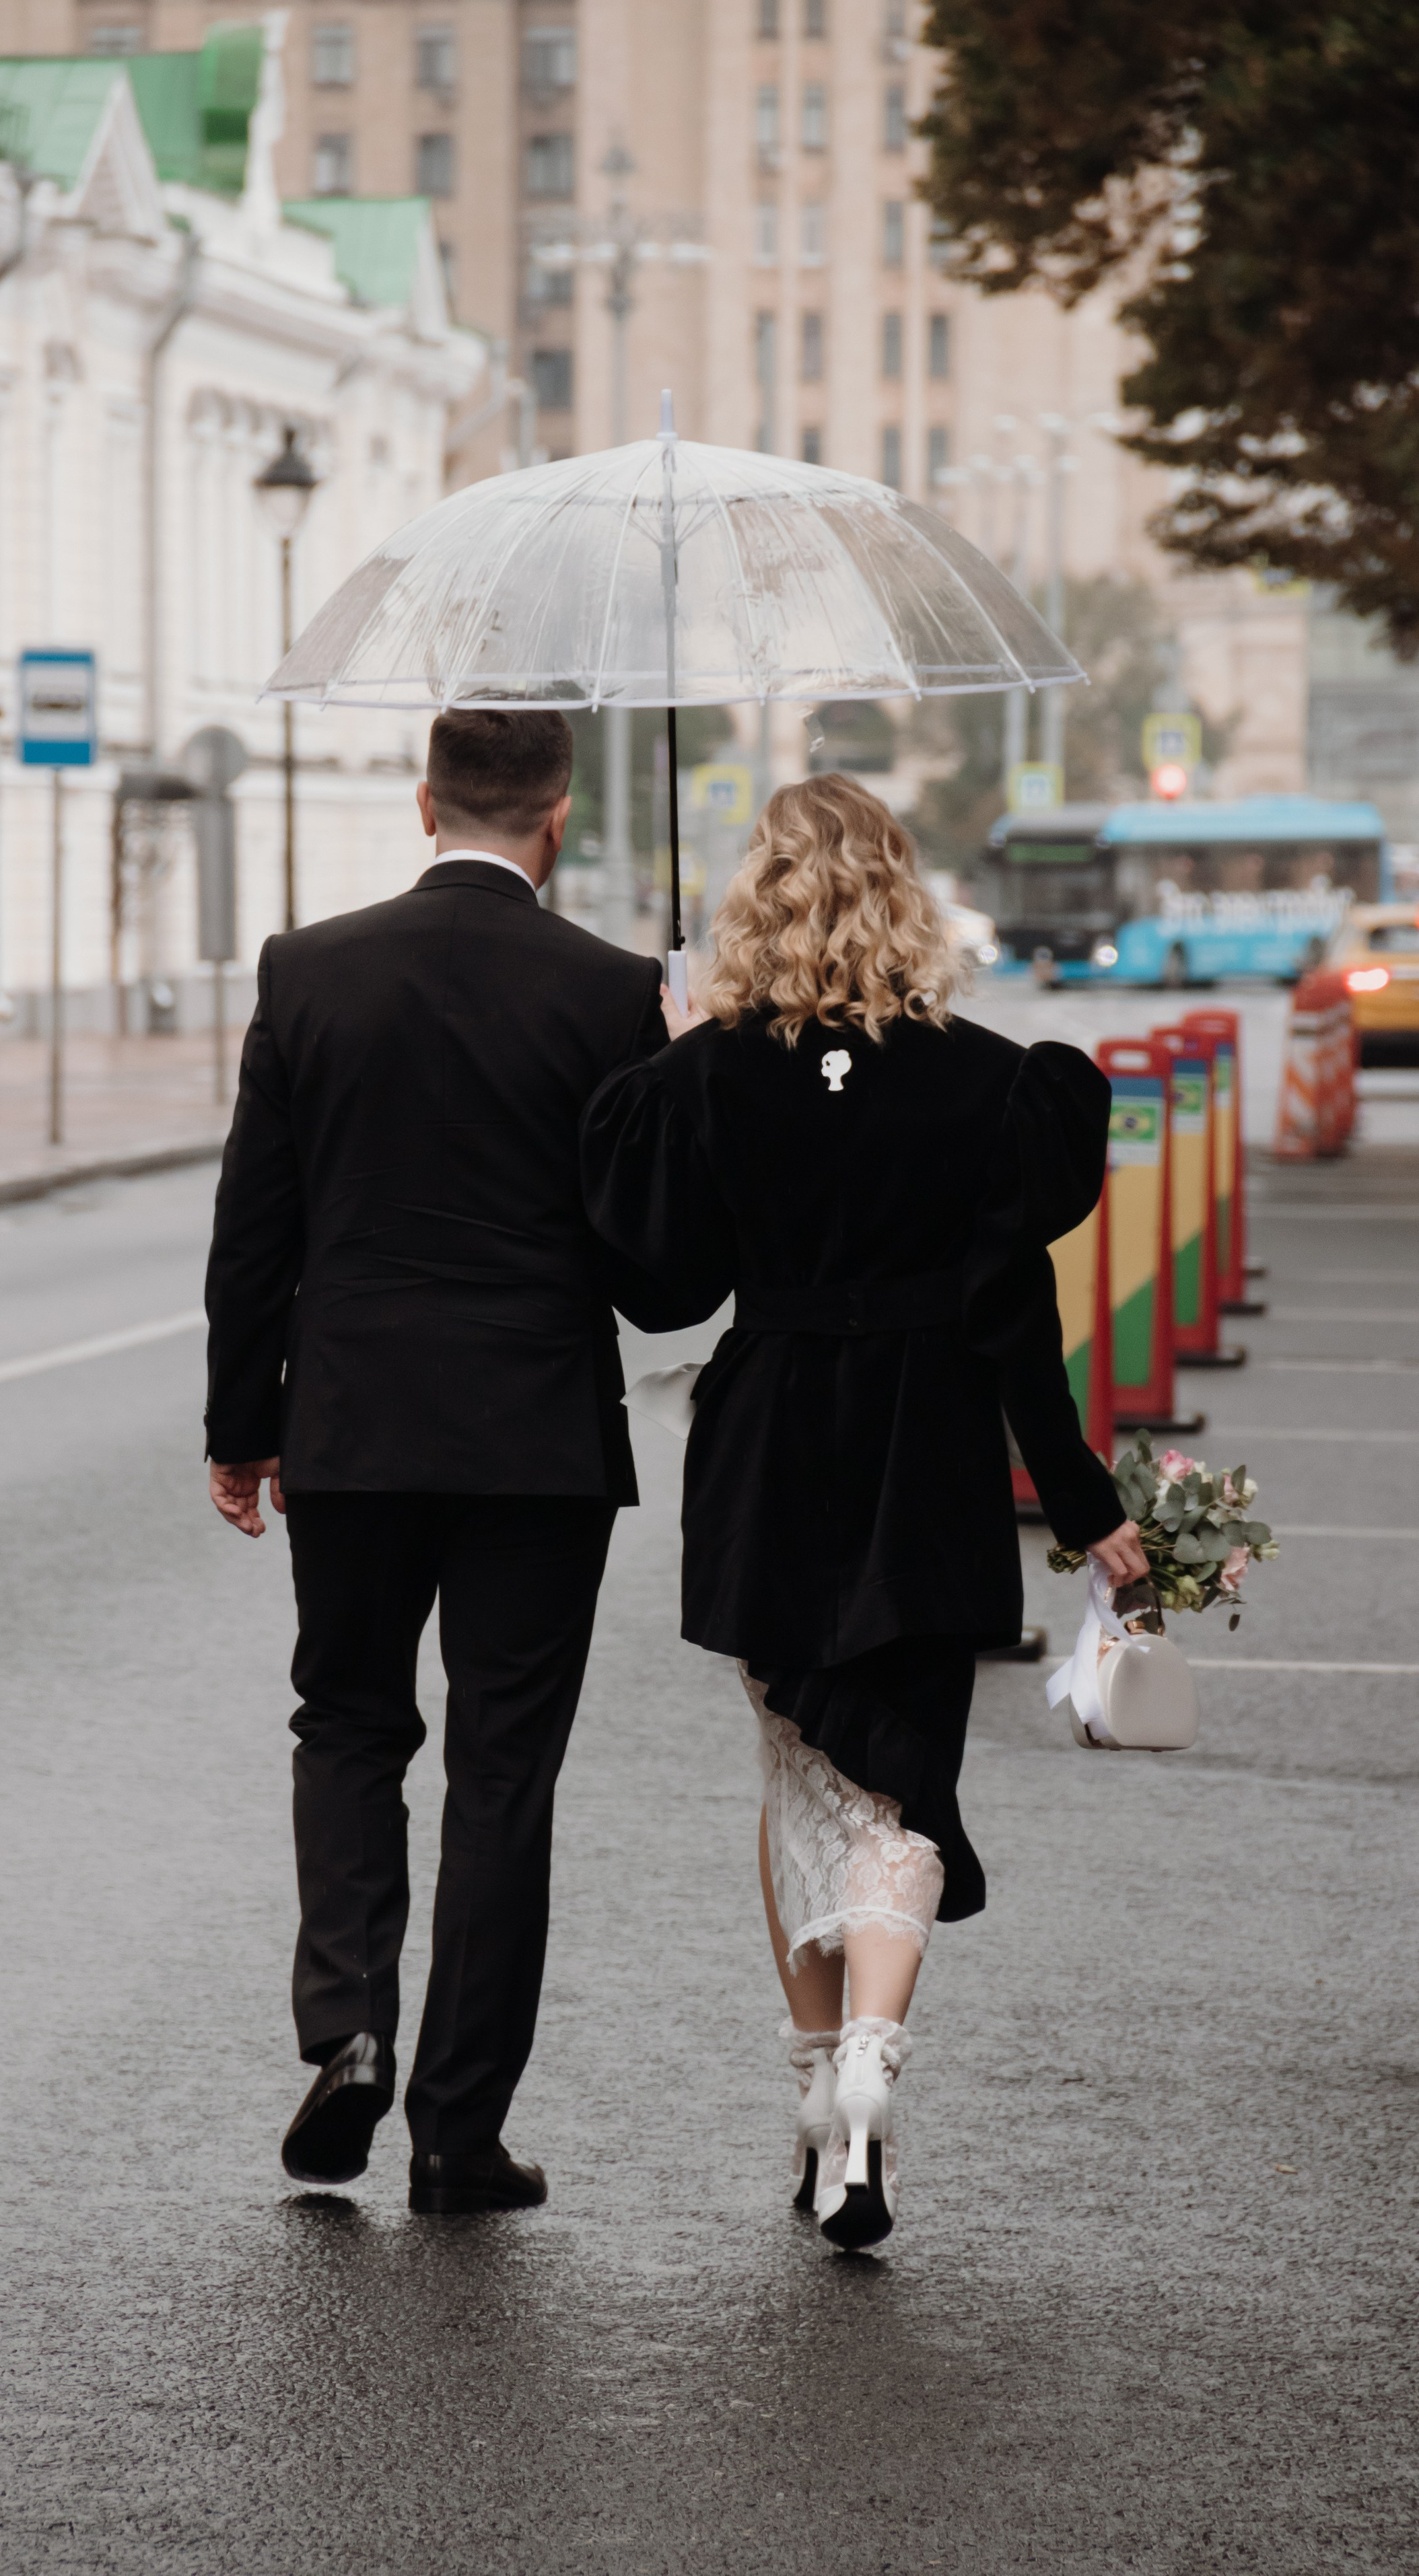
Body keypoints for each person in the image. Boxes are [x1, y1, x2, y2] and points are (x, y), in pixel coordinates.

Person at [579, 772, 1148, 2252]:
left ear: (755, 898)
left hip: (769, 1445)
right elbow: (1013, 1316)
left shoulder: (708, 1078)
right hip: (928, 1450)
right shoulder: (989, 1084)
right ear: (902, 891)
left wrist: (676, 1068)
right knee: (903, 1785)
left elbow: (660, 1288)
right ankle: (871, 2081)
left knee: (800, 1780)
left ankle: (818, 2101)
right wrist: (1085, 1509)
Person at [204, 708, 672, 2216]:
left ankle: (344, 2025)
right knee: (501, 1770)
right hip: (534, 1436)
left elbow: (251, 1235)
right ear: (557, 815)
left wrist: (240, 1425)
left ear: (423, 804)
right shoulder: (609, 991)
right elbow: (651, 1273)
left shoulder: (309, 968)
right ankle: (458, 2135)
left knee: (345, 1725)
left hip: (349, 1421)